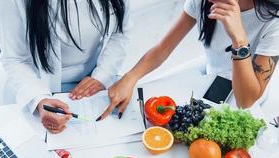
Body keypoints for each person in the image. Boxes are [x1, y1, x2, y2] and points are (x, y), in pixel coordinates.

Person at [99, 0, 279, 120]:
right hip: (212, 78)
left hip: (247, 95)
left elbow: (245, 101)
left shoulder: (273, 20)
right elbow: (164, 47)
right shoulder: (203, 2)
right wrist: (130, 77)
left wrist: (239, 40)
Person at [0, 0, 131, 133]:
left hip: (96, 76)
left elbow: (119, 33)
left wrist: (103, 75)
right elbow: (15, 59)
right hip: (36, 84)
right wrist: (39, 100)